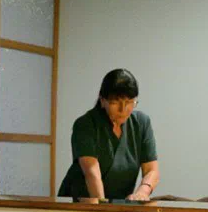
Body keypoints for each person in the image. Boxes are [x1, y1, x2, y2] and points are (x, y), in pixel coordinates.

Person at [57, 68, 159, 202]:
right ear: (102, 100)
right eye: (115, 102)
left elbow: (151, 170)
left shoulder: (141, 123)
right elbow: (91, 172)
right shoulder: (86, 124)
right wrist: (102, 205)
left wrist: (142, 193)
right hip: (83, 201)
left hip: (119, 202)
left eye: (129, 102)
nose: (123, 109)